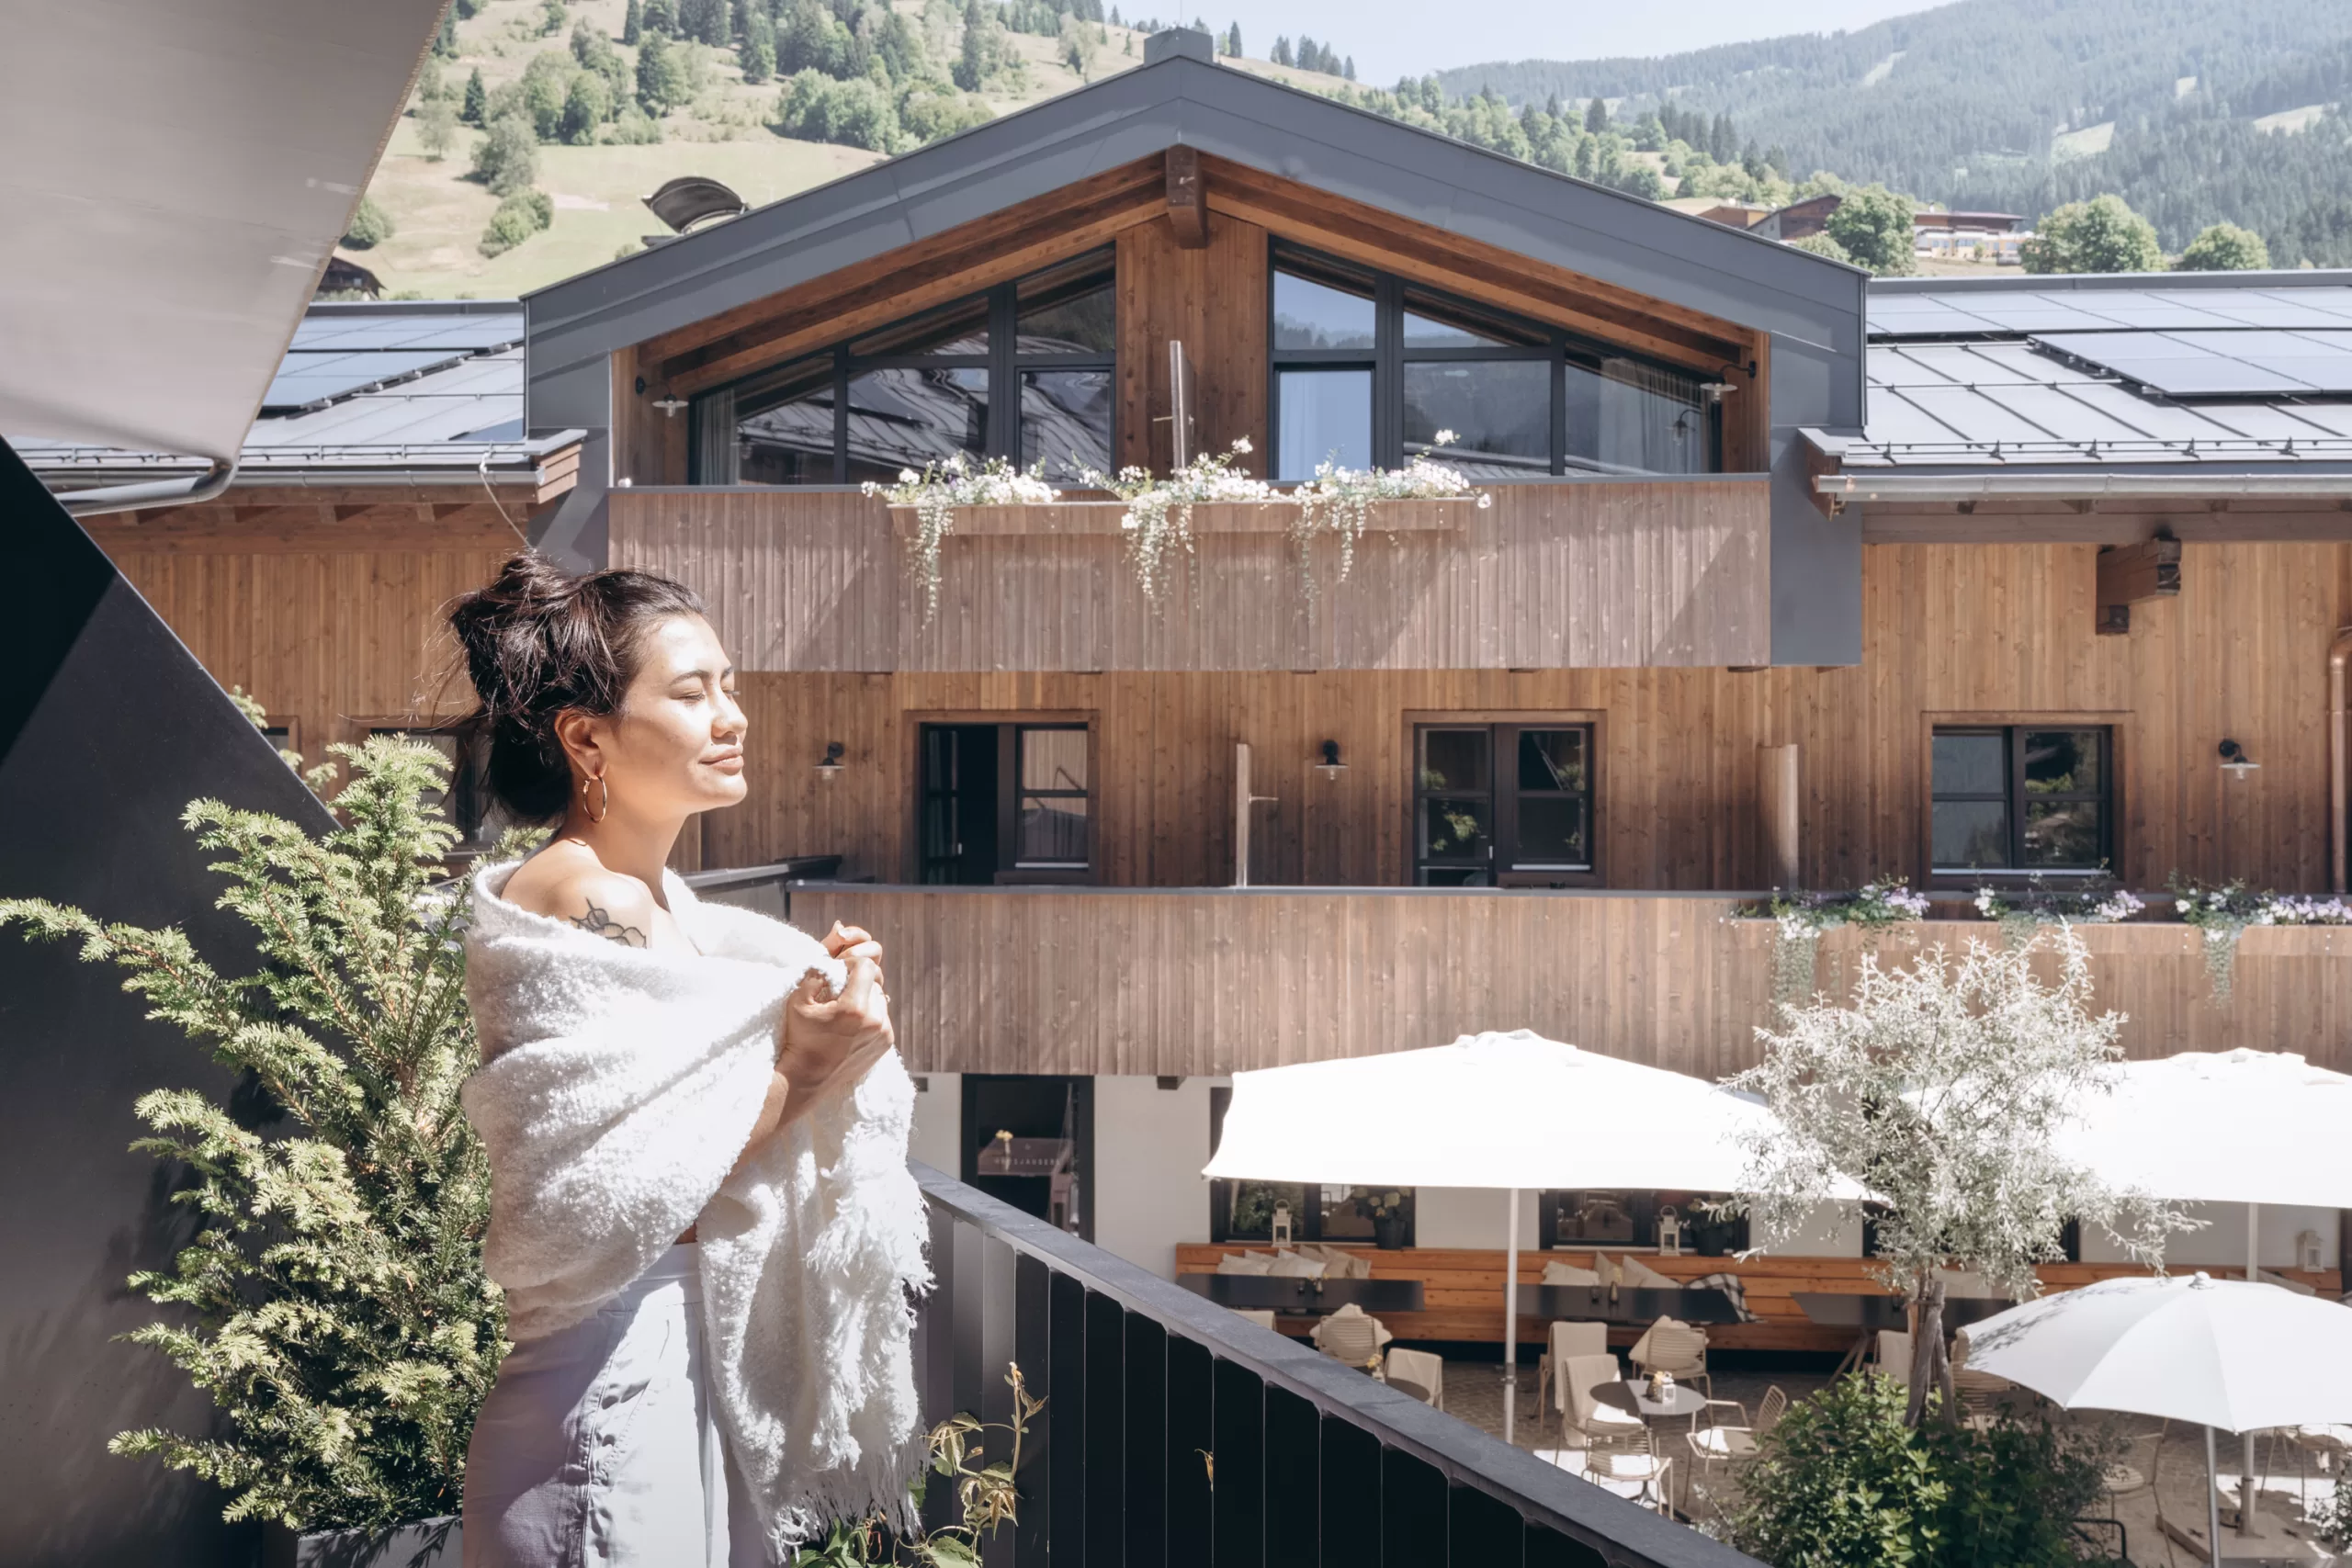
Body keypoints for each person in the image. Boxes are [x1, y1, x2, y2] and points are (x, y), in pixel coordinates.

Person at [449, 553, 929, 1568]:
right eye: (691, 691)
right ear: (586, 738)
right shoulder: (585, 896)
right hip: (611, 1387)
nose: (732, 715)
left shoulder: (669, 909)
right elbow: (614, 1190)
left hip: (667, 1368)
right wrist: (805, 1067)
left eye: (731, 685)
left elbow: (682, 1118)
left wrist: (814, 1018)